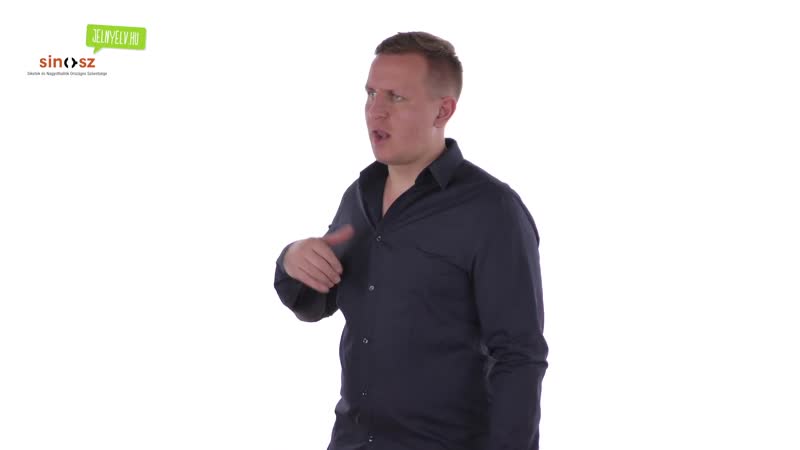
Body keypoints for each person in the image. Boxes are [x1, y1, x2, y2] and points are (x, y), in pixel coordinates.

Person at [273, 31, 548, 450]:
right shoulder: (359, 197)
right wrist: (292, 260)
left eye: (396, 97)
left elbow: (519, 356)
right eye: (370, 94)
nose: (375, 111)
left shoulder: (493, 211)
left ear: (443, 110)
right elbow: (314, 303)